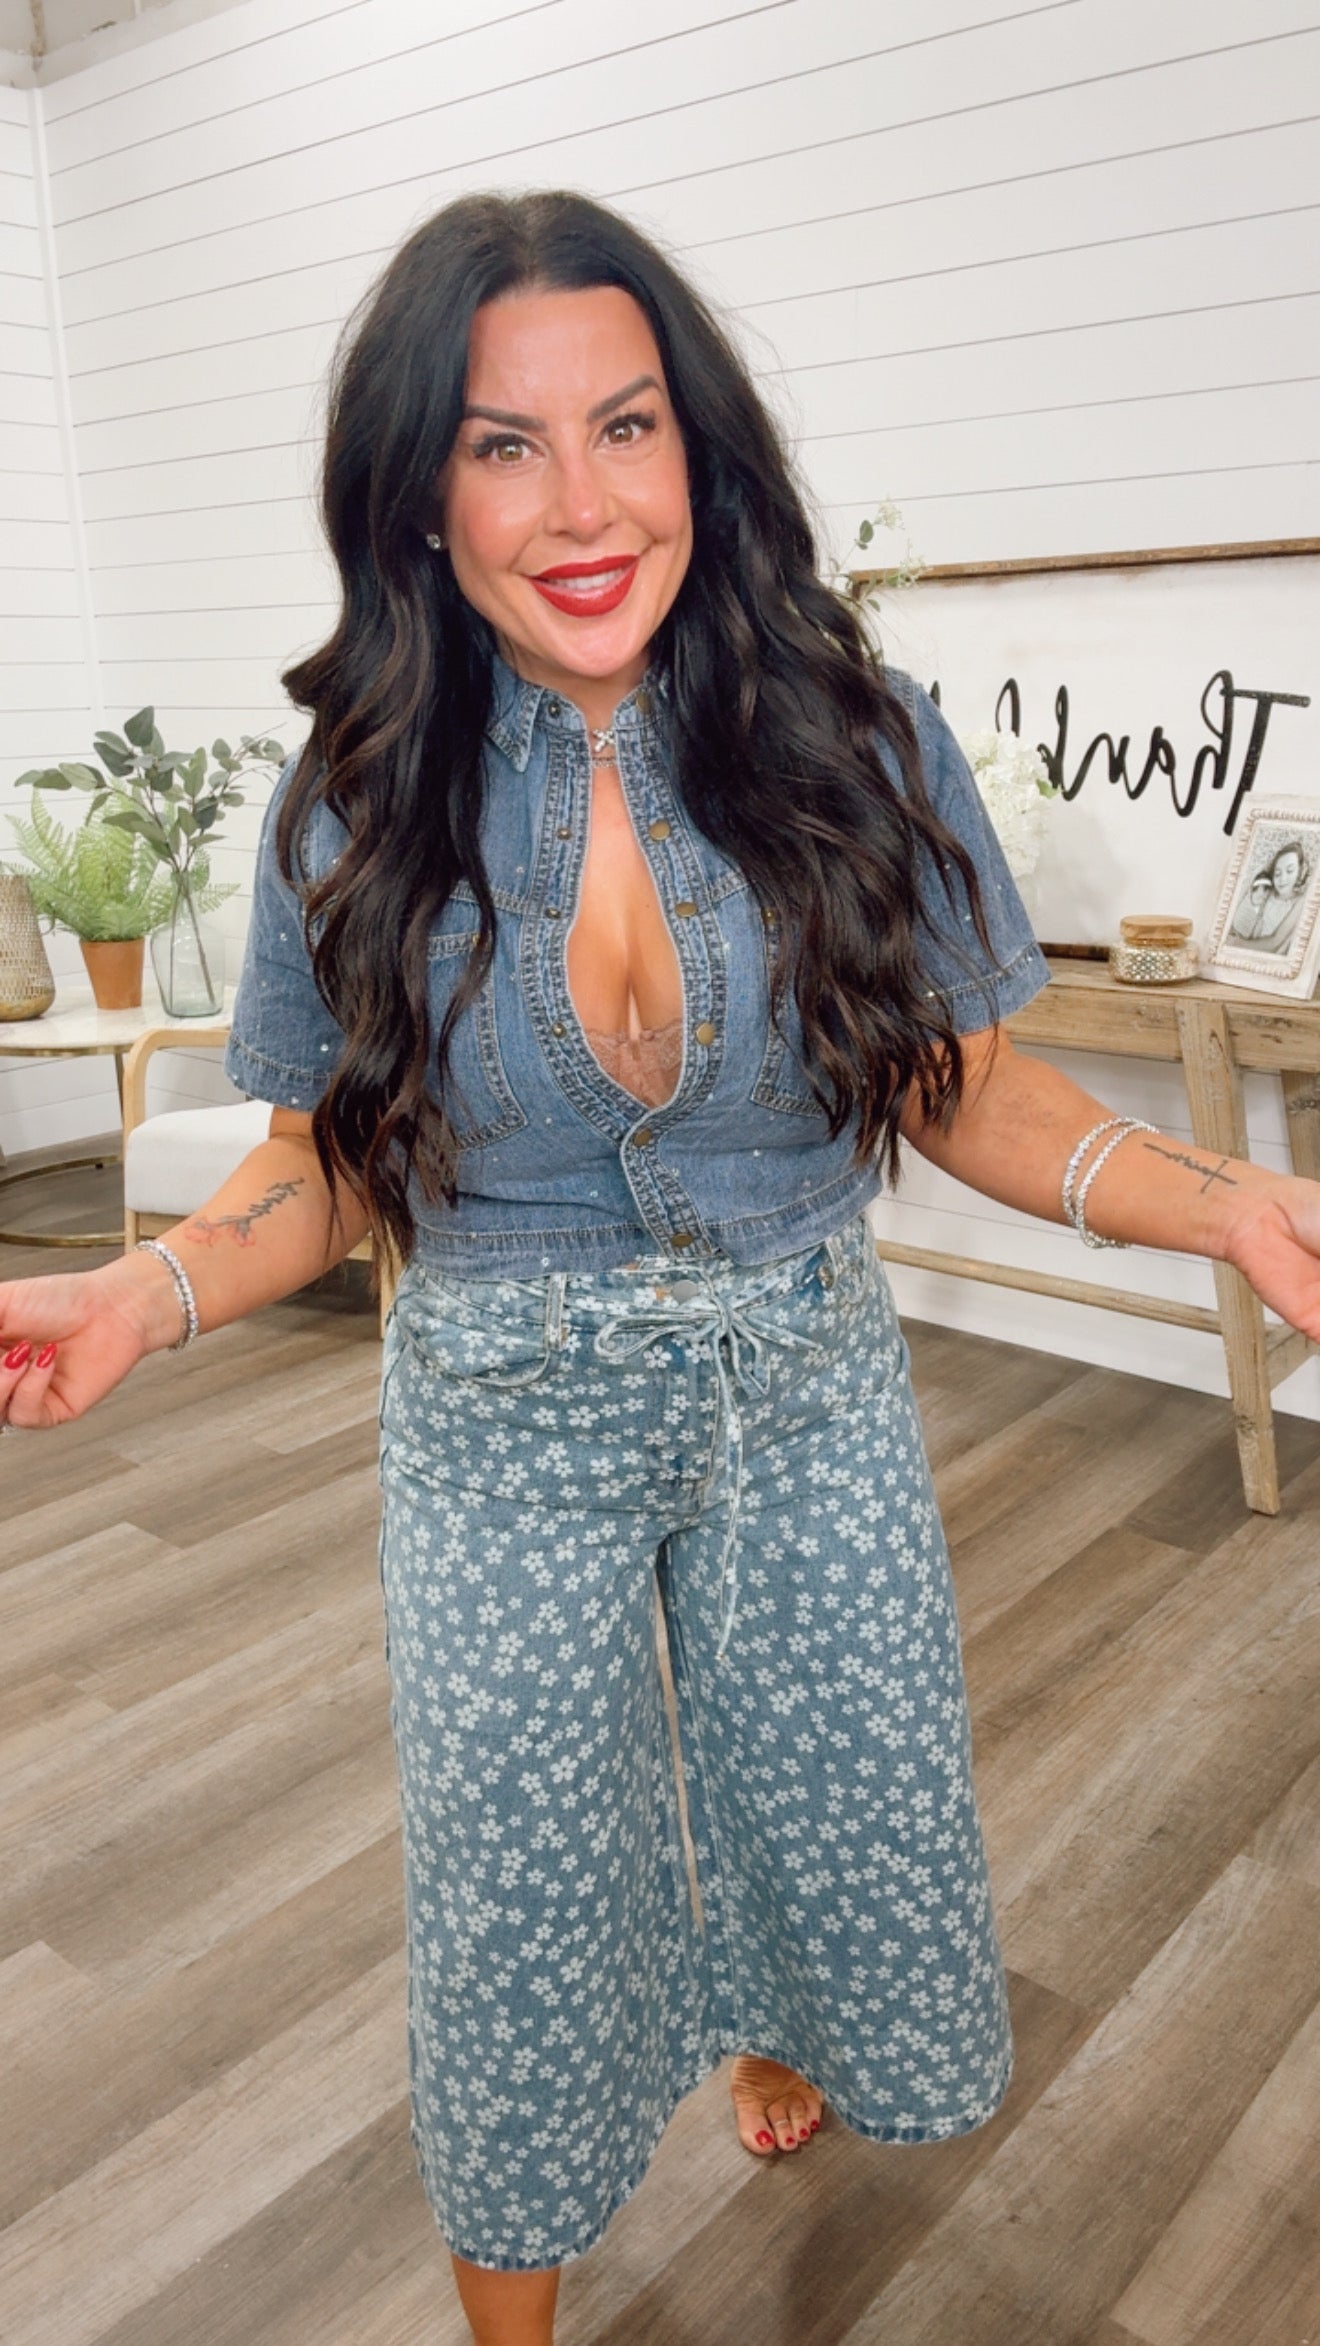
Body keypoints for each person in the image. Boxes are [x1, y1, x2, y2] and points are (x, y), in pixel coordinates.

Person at [3, 192, 1320, 2346]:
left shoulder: (851, 737)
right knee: (520, 1905)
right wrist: (138, 1298)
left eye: (628, 426)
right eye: (505, 446)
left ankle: (770, 2024)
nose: (587, 504)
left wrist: (1229, 1205)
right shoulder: (348, 802)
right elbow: (326, 1165)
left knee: (824, 1797)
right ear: (421, 494)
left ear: (698, 445)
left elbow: (965, 1087)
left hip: (805, 1394)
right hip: (503, 1431)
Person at [1228, 839, 1311, 953]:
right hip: (1243, 943)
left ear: (1299, 871)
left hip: (1260, 952)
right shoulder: (1268, 891)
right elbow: (1243, 894)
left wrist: (1236, 943)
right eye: (1277, 873)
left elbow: (1275, 942)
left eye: (1290, 871)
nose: (1282, 879)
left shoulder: (1299, 901)